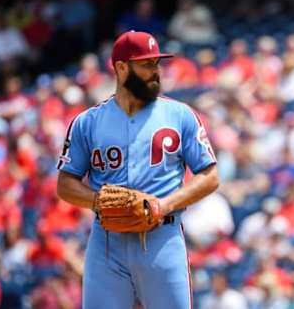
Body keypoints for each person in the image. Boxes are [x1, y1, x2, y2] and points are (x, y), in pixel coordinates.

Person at [56, 31, 219, 309]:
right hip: (106, 244)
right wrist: (98, 201)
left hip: (162, 239)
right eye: (146, 64)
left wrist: (164, 205)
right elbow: (65, 184)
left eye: (156, 63)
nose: (155, 71)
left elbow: (210, 176)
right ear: (121, 68)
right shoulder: (87, 122)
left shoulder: (180, 115)